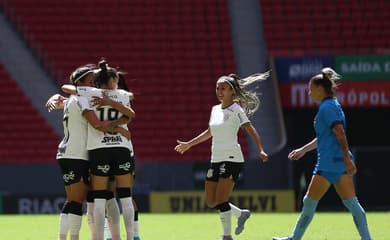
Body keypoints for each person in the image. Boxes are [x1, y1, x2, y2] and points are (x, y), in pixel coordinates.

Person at [272, 68, 372, 240]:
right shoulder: (332, 105)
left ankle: (294, 239)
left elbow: (340, 133)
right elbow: (325, 136)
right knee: (352, 204)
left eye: (311, 88)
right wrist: (303, 150)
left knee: (309, 202)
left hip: (328, 162)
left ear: (320, 88)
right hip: (337, 161)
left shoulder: (327, 108)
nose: (309, 93)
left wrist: (347, 159)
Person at [174, 72, 270, 240]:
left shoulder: (237, 109)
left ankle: (226, 236)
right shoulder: (215, 109)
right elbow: (210, 132)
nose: (219, 91)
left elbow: (250, 129)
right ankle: (241, 214)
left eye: (223, 88)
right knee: (211, 202)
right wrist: (189, 144)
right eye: (217, 88)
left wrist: (260, 149)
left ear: (232, 91)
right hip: (216, 159)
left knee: (221, 199)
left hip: (232, 158)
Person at [46, 65, 128, 240]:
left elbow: (63, 95)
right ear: (80, 83)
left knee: (85, 199)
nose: (94, 83)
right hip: (79, 154)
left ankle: (91, 236)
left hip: (71, 153)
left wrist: (56, 97)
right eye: (91, 80)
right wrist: (118, 128)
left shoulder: (72, 99)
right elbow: (96, 123)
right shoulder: (83, 98)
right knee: (84, 200)